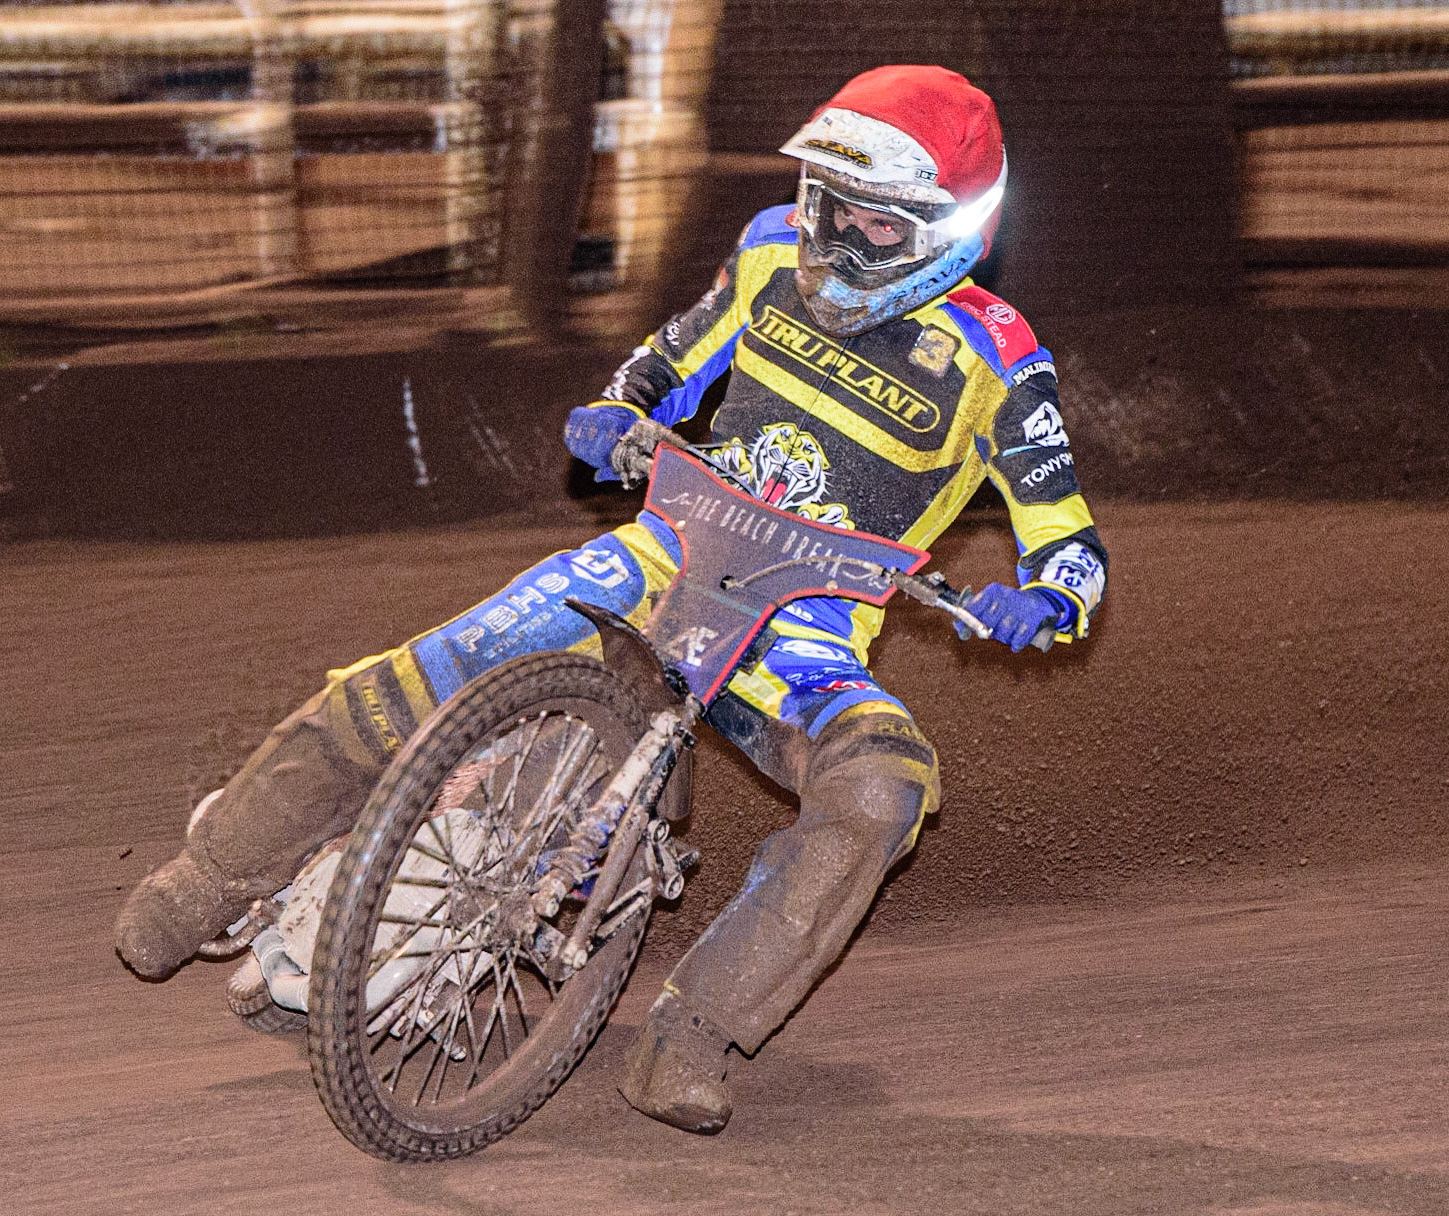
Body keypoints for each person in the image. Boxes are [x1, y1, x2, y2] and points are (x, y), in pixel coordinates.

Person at [114, 64, 1107, 1135]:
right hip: (662, 552)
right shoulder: (772, 244)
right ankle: (206, 881)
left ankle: (694, 1035)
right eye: (825, 201)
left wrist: (1044, 599)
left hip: (803, 629)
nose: (832, 237)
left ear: (941, 226)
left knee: (883, 788)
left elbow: (1070, 538)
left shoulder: (1002, 363)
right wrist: (614, 408)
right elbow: (667, 360)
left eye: (867, 218)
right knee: (433, 667)